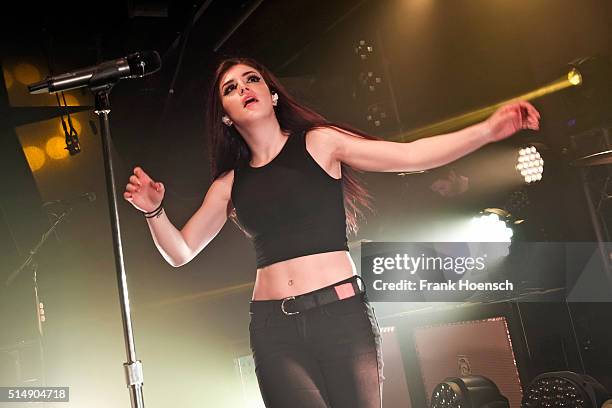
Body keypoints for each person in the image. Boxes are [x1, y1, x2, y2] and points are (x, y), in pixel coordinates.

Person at [123, 57, 540, 407]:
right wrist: (154, 211)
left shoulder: (320, 143)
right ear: (226, 117)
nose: (244, 88)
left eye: (252, 79)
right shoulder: (229, 184)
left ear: (272, 95)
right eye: (230, 88)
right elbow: (180, 251)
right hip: (273, 329)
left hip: (341, 318)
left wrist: (488, 130)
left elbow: (410, 156)